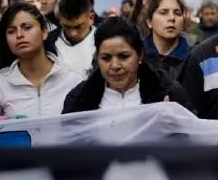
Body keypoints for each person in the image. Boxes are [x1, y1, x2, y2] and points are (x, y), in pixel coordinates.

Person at [62, 18, 194, 113]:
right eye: (106, 58)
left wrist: (173, 124)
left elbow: (191, 139)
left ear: (140, 55)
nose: (115, 65)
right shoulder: (79, 100)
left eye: (123, 56)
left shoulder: (169, 93)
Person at [0, 3, 83, 118]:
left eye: (27, 27)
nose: (19, 35)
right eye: (11, 31)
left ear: (44, 32)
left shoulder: (74, 80)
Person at [142, 0, 193, 82]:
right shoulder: (137, 56)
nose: (172, 18)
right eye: (163, 13)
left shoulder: (194, 57)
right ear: (149, 22)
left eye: (177, 13)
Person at [49, 0, 97, 75]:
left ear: (91, 18)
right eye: (67, 26)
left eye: (78, 27)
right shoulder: (48, 43)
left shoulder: (104, 42)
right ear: (59, 18)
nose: (72, 33)